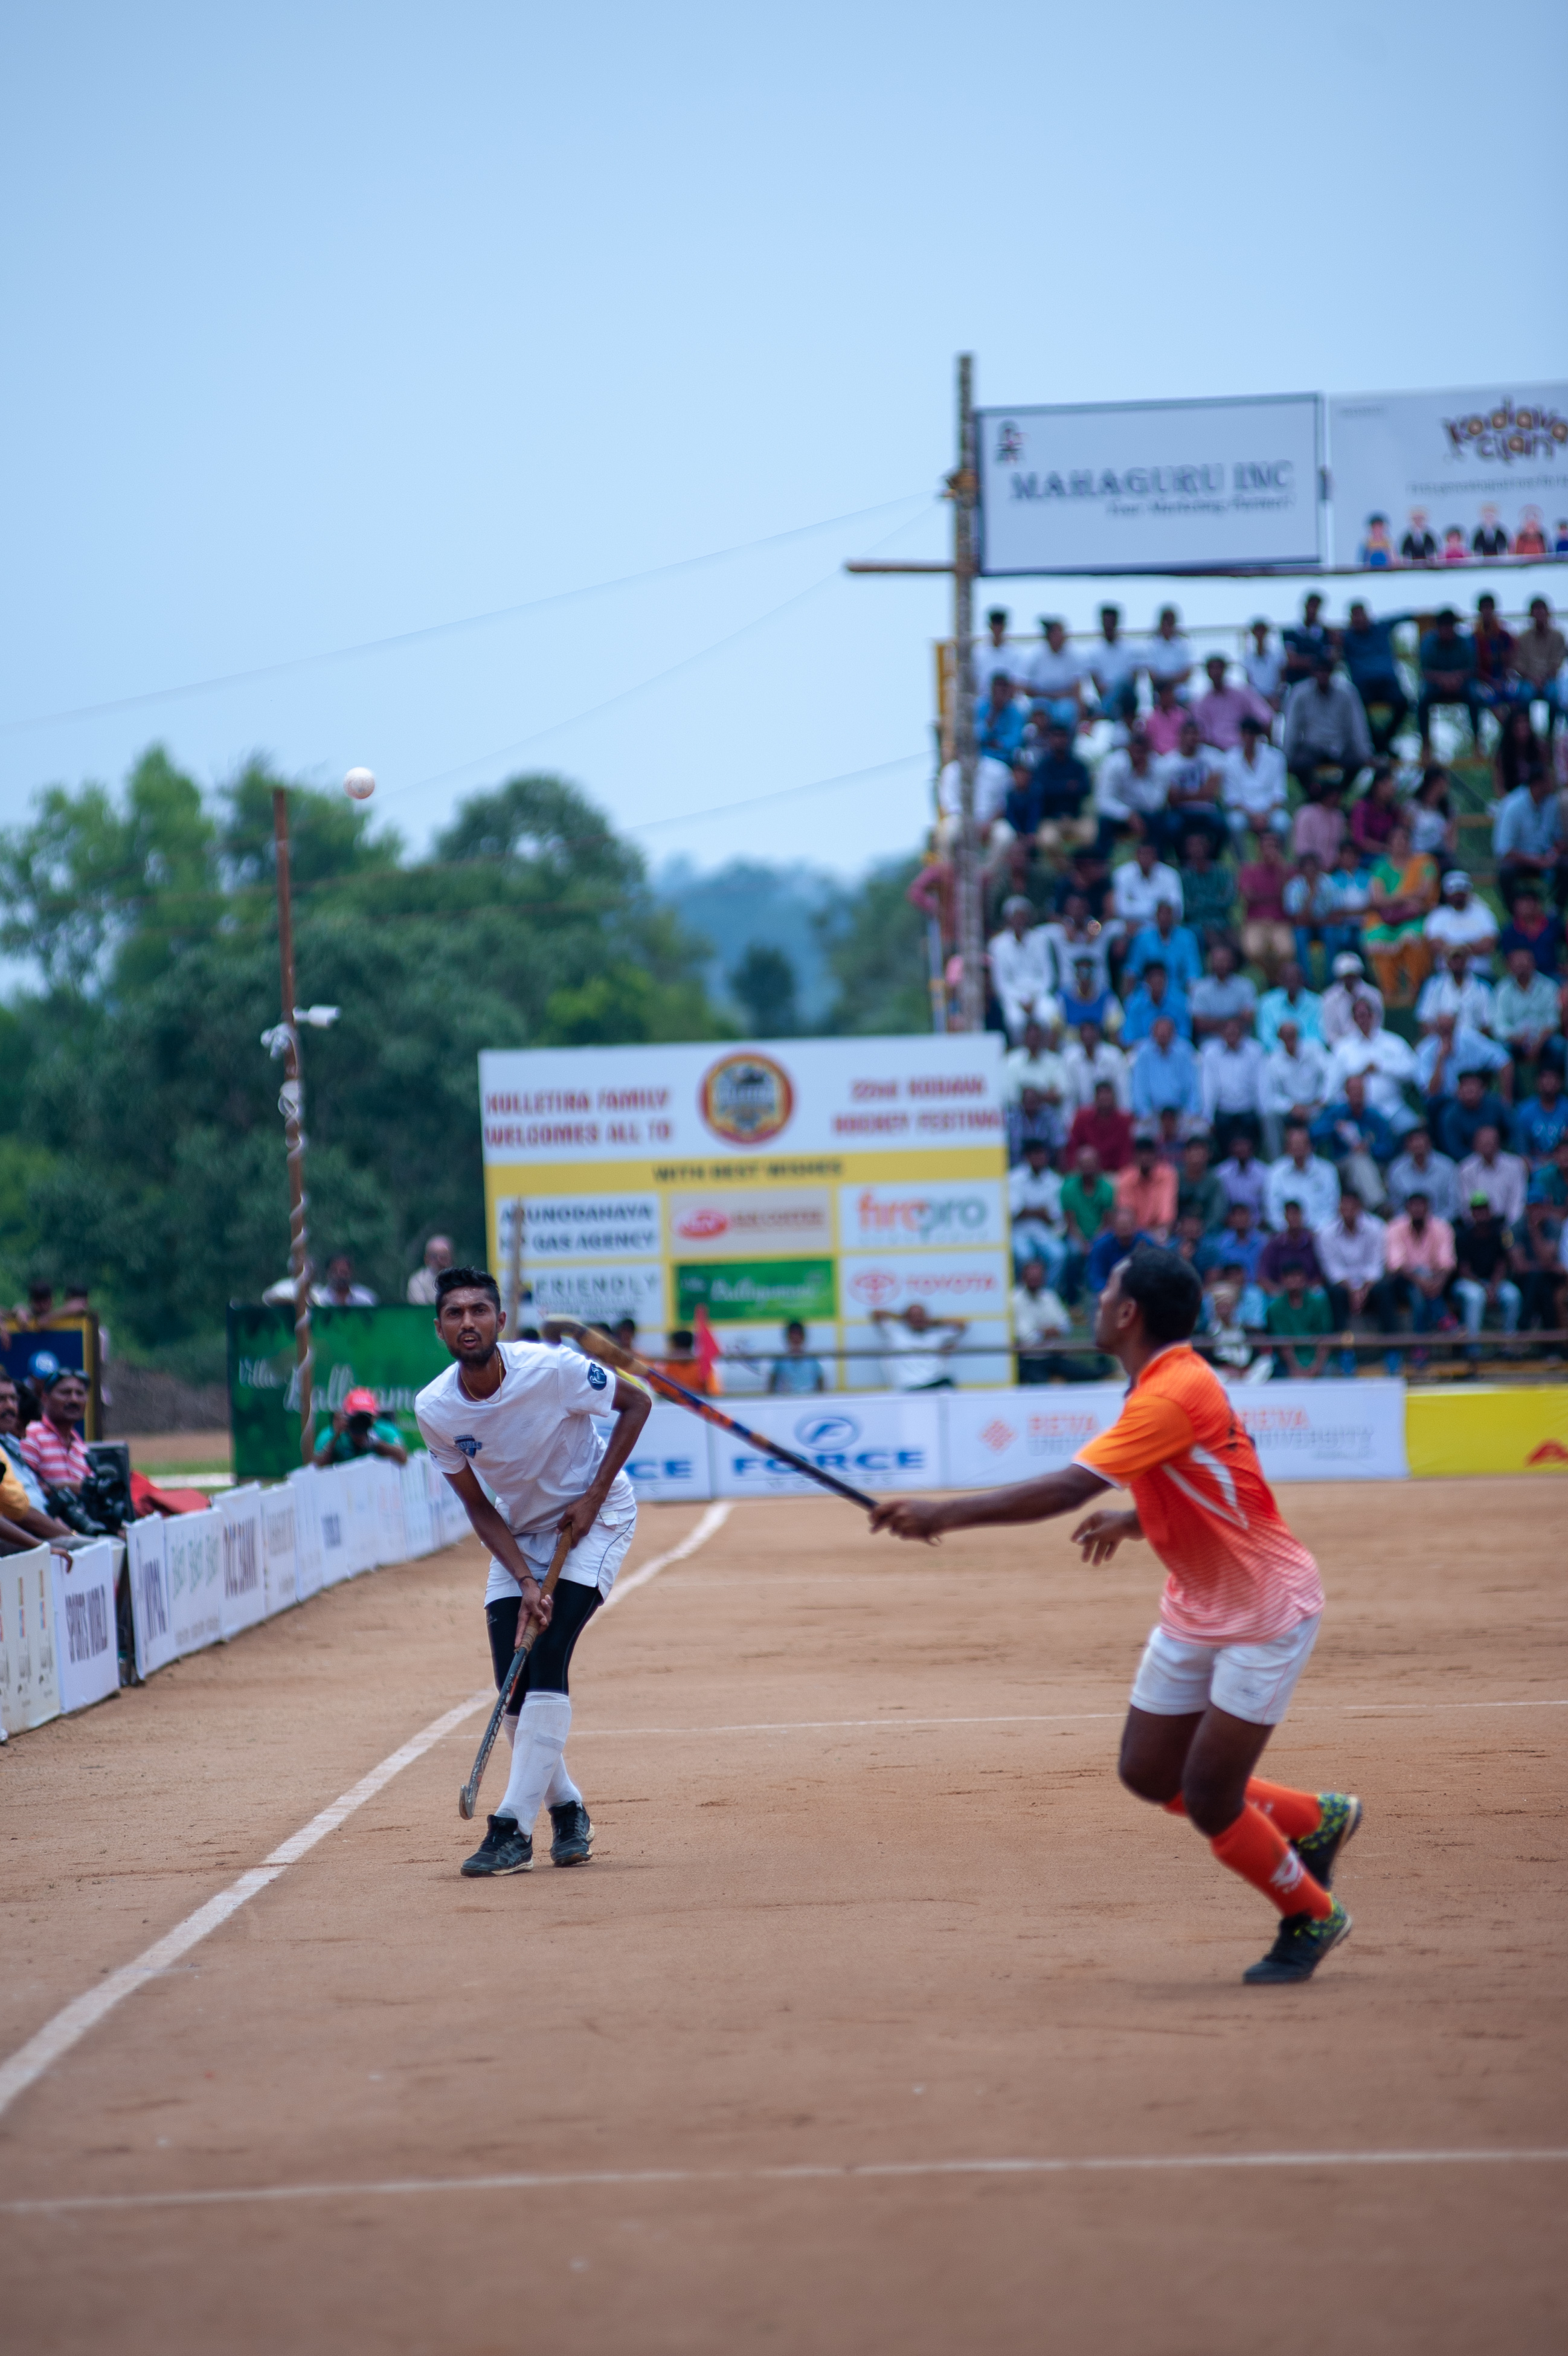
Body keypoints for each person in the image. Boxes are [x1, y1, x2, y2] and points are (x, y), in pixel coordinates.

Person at [870, 1245, 1356, 1984]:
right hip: (1197, 1600)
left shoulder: (1170, 1390)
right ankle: (1313, 1816)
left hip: (1263, 1609)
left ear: (1128, 1314)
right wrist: (1136, 1518)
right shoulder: (1159, 1383)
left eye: (1106, 1292)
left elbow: (1065, 1489)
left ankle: (1311, 1912)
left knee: (1211, 1797)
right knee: (1147, 1771)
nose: (1097, 1300)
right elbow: (1212, 1474)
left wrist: (942, 1511)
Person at [417, 1266, 650, 1879]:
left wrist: (594, 1496)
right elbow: (476, 1505)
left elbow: (636, 1402)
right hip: (521, 1538)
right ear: (438, 1328)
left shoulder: (552, 1368)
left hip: (593, 1522)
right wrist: (523, 1579)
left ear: (498, 1319)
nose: (468, 1322)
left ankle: (511, 1827)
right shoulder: (435, 1408)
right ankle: (569, 1810)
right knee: (512, 1685)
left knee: (546, 1657)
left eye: (479, 1310)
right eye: (454, 1313)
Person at [1361, 821, 1439, 1005]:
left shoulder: (1424, 863)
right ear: (1389, 843)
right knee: (1377, 936)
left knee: (1413, 937)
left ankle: (1416, 987)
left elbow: (1425, 893)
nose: (1400, 843)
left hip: (1415, 918)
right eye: (1396, 840)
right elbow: (1377, 900)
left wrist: (1393, 899)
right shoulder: (1381, 867)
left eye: (1404, 839)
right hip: (1387, 919)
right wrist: (1406, 900)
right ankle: (1388, 990)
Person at [1316, 1190, 1392, 1374]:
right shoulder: (1326, 1233)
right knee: (1332, 1294)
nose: (1348, 1211)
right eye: (1344, 1207)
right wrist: (1352, 1290)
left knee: (1385, 1290)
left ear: (1360, 1208)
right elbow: (1332, 1270)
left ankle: (1392, 1350)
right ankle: (1344, 1353)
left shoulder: (1377, 1227)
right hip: (1343, 1286)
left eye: (1352, 1207)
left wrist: (1364, 1289)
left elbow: (1377, 1264)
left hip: (1370, 1284)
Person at [1282, 652, 1372, 795]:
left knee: (1356, 761)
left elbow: (1358, 725)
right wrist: (1286, 757)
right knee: (1299, 765)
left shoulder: (1347, 692)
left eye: (1326, 671)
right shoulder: (1300, 692)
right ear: (1313, 672)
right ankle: (1315, 798)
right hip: (1311, 746)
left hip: (1340, 746)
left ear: (1332, 673)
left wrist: (1366, 754)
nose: (1323, 675)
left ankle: (1337, 796)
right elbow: (1291, 727)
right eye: (1319, 671)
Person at [1383, 1192, 1456, 1369]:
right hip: (1404, 1282)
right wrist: (1422, 1281)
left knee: (1420, 1297)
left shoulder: (1442, 1227)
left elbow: (1447, 1263)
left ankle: (1420, 1348)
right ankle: (1443, 1317)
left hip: (1435, 1283)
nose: (1417, 1210)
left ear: (1428, 1208)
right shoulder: (1395, 1228)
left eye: (1421, 1206)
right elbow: (1397, 1265)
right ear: (1407, 1209)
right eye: (1413, 1206)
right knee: (1418, 1289)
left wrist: (1438, 1283)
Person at [1339, 601, 1412, 754]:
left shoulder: (1381, 628)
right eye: (1355, 617)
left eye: (1361, 615)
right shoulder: (1347, 638)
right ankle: (1382, 745)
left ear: (1367, 616)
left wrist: (1420, 615)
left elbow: (1405, 615)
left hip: (1387, 681)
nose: (1358, 620)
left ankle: (1382, 743)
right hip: (1363, 685)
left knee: (1404, 704)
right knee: (1355, 706)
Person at [1451, 1198, 1520, 1357]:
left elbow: (1502, 1263)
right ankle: (1473, 1352)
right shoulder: (1463, 1235)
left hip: (1494, 1282)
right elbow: (1464, 1269)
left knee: (1513, 1295)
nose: (1481, 1213)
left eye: (1484, 1209)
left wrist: (1493, 1287)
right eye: (1477, 1210)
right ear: (1472, 1213)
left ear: (1490, 1211)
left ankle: (1508, 1348)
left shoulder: (1499, 1233)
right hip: (1468, 1283)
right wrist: (1485, 1289)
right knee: (1476, 1297)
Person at [987, 898, 1058, 1042]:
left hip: (1039, 995)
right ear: (1008, 919)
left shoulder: (1041, 940)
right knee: (1015, 1021)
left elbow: (1048, 976)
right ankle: (1021, 1054)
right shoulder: (998, 945)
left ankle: (1049, 1054)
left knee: (1052, 1015)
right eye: (1015, 917)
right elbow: (1001, 983)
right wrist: (1021, 1000)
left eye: (1023, 916)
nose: (1019, 921)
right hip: (1014, 998)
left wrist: (1034, 999)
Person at [1492, 771, 1566, 911]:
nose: (1553, 784)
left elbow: (1557, 838)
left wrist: (1554, 853)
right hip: (1521, 861)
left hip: (1545, 858)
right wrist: (1536, 861)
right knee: (1505, 872)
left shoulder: (1552, 803)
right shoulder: (1513, 806)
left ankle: (1555, 913)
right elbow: (1504, 850)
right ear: (1538, 784)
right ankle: (1515, 916)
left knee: (1565, 866)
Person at [19, 1361, 91, 1494]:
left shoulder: (80, 1447)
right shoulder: (31, 1435)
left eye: (80, 1394)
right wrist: (67, 1488)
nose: (74, 1400)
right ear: (45, 1399)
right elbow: (21, 1493)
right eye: (66, 1393)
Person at [1219, 714, 1290, 844]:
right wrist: (1253, 816)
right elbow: (1232, 798)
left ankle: (1279, 861)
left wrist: (1265, 815)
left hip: (1270, 811)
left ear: (1258, 736)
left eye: (1252, 734)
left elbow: (1279, 794)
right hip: (1244, 812)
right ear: (1240, 735)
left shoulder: (1276, 757)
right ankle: (1242, 863)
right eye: (1245, 734)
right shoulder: (1230, 759)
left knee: (1282, 824)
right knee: (1234, 824)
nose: (1249, 738)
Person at [1262, 1021, 1329, 1156]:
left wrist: (1322, 1098)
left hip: (1314, 1106)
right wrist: (1291, 1107)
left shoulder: (1314, 1051)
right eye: (1285, 1036)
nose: (1289, 1039)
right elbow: (1271, 1095)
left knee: (1329, 1114)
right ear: (1280, 1038)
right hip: (1290, 1110)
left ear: (1299, 1036)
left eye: (1292, 1035)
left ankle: (1321, 1160)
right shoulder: (1273, 1062)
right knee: (1270, 1117)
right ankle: (1277, 1160)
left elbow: (1330, 1072)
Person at [1417, 609, 1482, 749]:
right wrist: (1444, 679)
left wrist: (1455, 678)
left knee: (1475, 696)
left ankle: (1477, 738)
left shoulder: (1464, 642)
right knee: (1422, 700)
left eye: (1449, 626)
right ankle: (1426, 742)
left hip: (1460, 682)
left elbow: (1472, 668)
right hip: (1436, 683)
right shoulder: (1428, 642)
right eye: (1443, 627)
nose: (1447, 630)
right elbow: (1425, 671)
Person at [1009, 1138, 1067, 1288]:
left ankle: (1047, 1296)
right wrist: (1040, 1212)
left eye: (1042, 1154)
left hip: (1044, 1233)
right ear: (1027, 1157)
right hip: (1019, 1232)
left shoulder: (1054, 1181)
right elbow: (1015, 1212)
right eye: (1035, 1154)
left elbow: (1054, 1216)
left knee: (1059, 1255)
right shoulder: (1014, 1178)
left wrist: (1030, 1211)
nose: (1039, 1158)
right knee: (1024, 1256)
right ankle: (1022, 1297)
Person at [1265, 1123, 1343, 1233]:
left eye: (1301, 1144)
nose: (1298, 1148)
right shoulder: (1276, 1172)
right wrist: (1292, 1231)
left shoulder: (1327, 1171)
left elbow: (1333, 1208)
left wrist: (1317, 1231)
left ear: (1310, 1146)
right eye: (1294, 1144)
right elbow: (1272, 1210)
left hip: (1322, 1233)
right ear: (1287, 1148)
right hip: (1287, 1235)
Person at [1236, 829, 1293, 977]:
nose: (1270, 851)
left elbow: (1288, 900)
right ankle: (1273, 978)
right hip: (1255, 922)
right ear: (1259, 849)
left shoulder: (1287, 871)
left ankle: (1273, 979)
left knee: (1286, 951)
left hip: (1280, 922)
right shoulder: (1248, 870)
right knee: (1253, 950)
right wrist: (1273, 897)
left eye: (1274, 847)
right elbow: (1248, 898)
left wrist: (1280, 868)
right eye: (1266, 846)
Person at [873, 1300, 966, 1390]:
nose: (917, 1319)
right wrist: (904, 1319)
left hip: (935, 1385)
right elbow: (877, 1314)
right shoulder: (896, 1335)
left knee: (948, 1383)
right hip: (909, 1387)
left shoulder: (936, 1336)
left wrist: (930, 1322)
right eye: (913, 1316)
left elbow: (961, 1325)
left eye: (921, 1316)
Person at [1264, 1265, 1334, 1381]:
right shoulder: (1275, 1308)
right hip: (1288, 1362)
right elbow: (1281, 1342)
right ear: (1283, 1280)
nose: (1294, 1280)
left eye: (1297, 1276)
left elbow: (1325, 1336)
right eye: (1290, 1277)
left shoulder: (1319, 1303)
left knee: (1332, 1372)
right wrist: (1294, 1369)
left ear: (1304, 1279)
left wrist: (1317, 1367)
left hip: (1317, 1358)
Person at [1494, 948, 1561, 1065]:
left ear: (1533, 963)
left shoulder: (1548, 987)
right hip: (1515, 1040)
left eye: (1525, 963)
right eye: (1518, 964)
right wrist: (1517, 1038)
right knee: (1500, 1052)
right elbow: (1499, 1024)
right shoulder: (1503, 990)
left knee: (1560, 1047)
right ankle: (1514, 1084)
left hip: (1543, 1039)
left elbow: (1553, 1020)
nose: (1522, 967)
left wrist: (1539, 1042)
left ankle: (1552, 1082)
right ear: (1510, 966)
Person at [1129, 1014, 1201, 1124]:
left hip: (1181, 1114)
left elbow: (1193, 1086)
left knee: (1199, 1130)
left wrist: (1192, 1113)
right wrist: (1145, 1114)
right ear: (1153, 1033)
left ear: (1174, 1033)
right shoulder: (1143, 1053)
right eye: (1160, 1032)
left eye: (1166, 1032)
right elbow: (1139, 1087)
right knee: (1140, 1133)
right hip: (1153, 1115)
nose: (1163, 1035)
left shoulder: (1185, 1051)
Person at [313, 1386, 409, 1467]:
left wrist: (376, 1443)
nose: (361, 1421)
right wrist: (336, 1436)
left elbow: (403, 1457)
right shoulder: (333, 1433)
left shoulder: (383, 1430)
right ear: (346, 1415)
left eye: (366, 1417)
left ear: (375, 1417)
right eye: (356, 1416)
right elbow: (318, 1465)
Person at [1194, 653, 1272, 752]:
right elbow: (1203, 735)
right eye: (1212, 669)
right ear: (1207, 672)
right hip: (1217, 753)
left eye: (1219, 668)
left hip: (1245, 749)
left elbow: (1266, 717)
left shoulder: (1242, 693)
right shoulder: (1202, 703)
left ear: (1225, 670)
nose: (1216, 672)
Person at [1124, 897, 1203, 992]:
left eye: (1168, 913)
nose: (1164, 917)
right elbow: (1133, 970)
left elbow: (1193, 973)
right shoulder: (1143, 938)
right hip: (1147, 993)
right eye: (1161, 913)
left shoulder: (1187, 938)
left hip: (1178, 993)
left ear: (1174, 916)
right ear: (1156, 916)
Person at [1386, 1124, 1460, 1225]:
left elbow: (1453, 1206)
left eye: (1421, 1142)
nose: (1418, 1146)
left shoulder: (1447, 1167)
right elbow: (1396, 1206)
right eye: (1414, 1142)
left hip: (1442, 1224)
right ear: (1407, 1146)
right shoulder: (1396, 1170)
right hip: (1408, 1227)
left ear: (1430, 1144)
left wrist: (1435, 1225)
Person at [1012, 1258, 1071, 1385]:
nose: (1035, 1280)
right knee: (1042, 1385)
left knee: (1088, 1373)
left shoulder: (1050, 1296)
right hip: (1029, 1360)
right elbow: (1027, 1337)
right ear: (1023, 1278)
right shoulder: (1015, 1300)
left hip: (1053, 1356)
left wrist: (1042, 1332)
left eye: (1038, 1277)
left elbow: (1065, 1326)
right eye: (1031, 1277)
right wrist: (1049, 1331)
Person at [1456, 1125, 1528, 1229]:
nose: (1487, 1147)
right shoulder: (1466, 1170)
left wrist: (1509, 1226)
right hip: (1477, 1226)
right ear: (1475, 1145)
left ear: (1498, 1144)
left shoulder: (1516, 1166)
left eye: (1491, 1143)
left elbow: (1517, 1203)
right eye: (1484, 1144)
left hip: (1508, 1223)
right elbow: (1466, 1205)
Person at [1513, 597, 1567, 733]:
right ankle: (1529, 734)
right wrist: (1532, 678)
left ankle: (1551, 733)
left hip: (1550, 680)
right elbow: (1518, 663)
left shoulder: (1558, 636)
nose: (1539, 616)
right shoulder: (1523, 638)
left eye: (1542, 612)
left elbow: (1558, 661)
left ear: (1548, 614)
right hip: (1528, 680)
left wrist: (1544, 678)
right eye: (1536, 612)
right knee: (1523, 696)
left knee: (1555, 697)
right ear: (1531, 615)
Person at [1114, 1126, 1177, 1241]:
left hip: (1159, 1233)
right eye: (1141, 1154)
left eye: (1149, 1154)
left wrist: (1158, 1235)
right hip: (1132, 1235)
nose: (1145, 1158)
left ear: (1155, 1156)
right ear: (1134, 1157)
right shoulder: (1126, 1177)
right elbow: (1125, 1214)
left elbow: (1167, 1215)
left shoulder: (1167, 1175)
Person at [1110, 837, 1183, 933]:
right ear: (1136, 856)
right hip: (1132, 925)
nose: (1145, 858)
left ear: (1156, 856)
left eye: (1149, 854)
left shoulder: (1170, 875)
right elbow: (1122, 909)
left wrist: (1135, 906)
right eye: (1142, 854)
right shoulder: (1122, 874)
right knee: (1114, 929)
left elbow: (1177, 909)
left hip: (1163, 926)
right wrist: (1157, 909)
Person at [1189, 941, 1257, 1041]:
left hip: (1241, 1040)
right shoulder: (1200, 989)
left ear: (1232, 962)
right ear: (1210, 963)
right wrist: (1234, 1019)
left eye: (1225, 960)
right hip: (1211, 1041)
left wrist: (1213, 1021)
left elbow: (1248, 1019)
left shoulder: (1245, 986)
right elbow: (1199, 1024)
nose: (1221, 964)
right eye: (1218, 961)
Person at [1087, 604, 1142, 722]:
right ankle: (1107, 713)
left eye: (1111, 622)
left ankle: (1102, 714)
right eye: (1106, 622)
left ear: (1117, 623)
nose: (1108, 626)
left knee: (1122, 682)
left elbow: (1132, 681)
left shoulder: (1131, 648)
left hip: (1128, 699)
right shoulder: (1094, 651)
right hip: (1106, 697)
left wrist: (1115, 686)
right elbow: (1098, 685)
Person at [1067, 1078, 1134, 1172]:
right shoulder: (1082, 1118)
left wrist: (1121, 1176)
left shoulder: (1125, 1121)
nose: (1104, 1098)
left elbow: (1126, 1152)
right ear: (1095, 1098)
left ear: (1114, 1097)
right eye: (1101, 1094)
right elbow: (1073, 1148)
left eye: (1108, 1094)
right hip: (1085, 1174)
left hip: (1115, 1174)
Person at [1257, 959, 1323, 1050]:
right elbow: (1267, 1039)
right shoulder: (1267, 1003)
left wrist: (1298, 1051)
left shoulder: (1316, 1002)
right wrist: (1288, 1050)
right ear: (1280, 981)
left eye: (1295, 980)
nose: (1292, 984)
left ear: (1302, 980)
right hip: (1278, 1056)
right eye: (1288, 980)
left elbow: (1319, 1037)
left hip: (1309, 1054)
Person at [1144, 606, 1194, 697]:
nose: (1168, 626)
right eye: (1165, 622)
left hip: (1181, 693)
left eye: (1170, 623)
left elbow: (1187, 674)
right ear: (1161, 624)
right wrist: (1173, 680)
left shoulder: (1184, 644)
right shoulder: (1152, 645)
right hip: (1159, 694)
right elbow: (1153, 676)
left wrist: (1165, 680)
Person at [768, 1321, 825, 1394]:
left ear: (803, 1338)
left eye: (798, 1337)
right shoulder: (780, 1362)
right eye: (792, 1337)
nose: (795, 1339)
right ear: (788, 1338)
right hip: (786, 1403)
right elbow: (770, 1388)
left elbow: (822, 1388)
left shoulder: (812, 1361)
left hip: (809, 1402)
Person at [972, 608, 1015, 695]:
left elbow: (1017, 682)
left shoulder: (1015, 653)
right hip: (985, 699)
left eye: (1000, 625)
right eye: (995, 625)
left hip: (1009, 701)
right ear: (990, 626)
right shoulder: (978, 652)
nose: (997, 629)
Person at [1243, 618, 1284, 708]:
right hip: (1256, 700)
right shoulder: (1247, 658)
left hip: (1275, 698)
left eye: (1262, 631)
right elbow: (1249, 681)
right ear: (1253, 633)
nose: (1260, 634)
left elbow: (1282, 678)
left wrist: (1276, 696)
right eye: (1257, 631)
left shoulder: (1277, 655)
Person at [406, 1234, 455, 1306]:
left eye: (443, 1256)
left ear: (451, 1257)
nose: (439, 1260)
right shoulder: (418, 1281)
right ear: (426, 1259)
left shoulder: (460, 1279)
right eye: (434, 1256)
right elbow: (420, 1309)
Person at [314, 1253, 378, 1308]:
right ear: (328, 1273)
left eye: (344, 1272)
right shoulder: (319, 1300)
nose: (341, 1276)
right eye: (336, 1272)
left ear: (351, 1273)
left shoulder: (365, 1299)